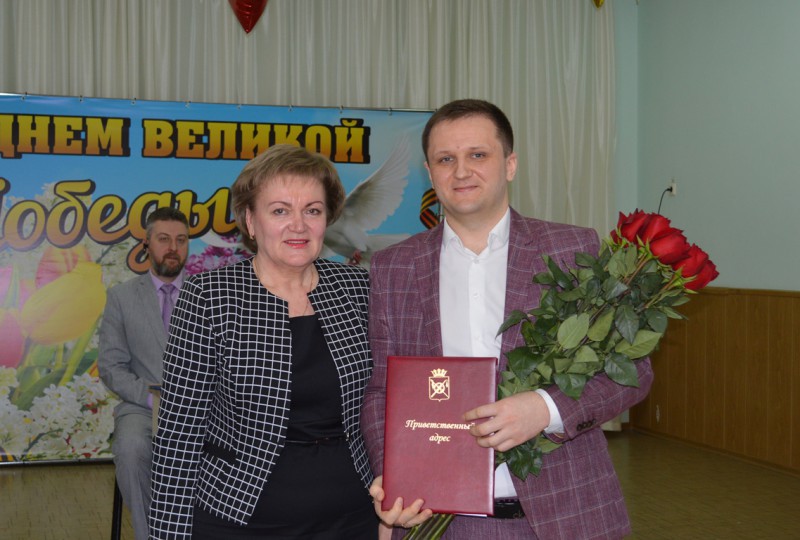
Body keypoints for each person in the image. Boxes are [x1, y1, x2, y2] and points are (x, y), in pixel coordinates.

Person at [362, 99, 655, 539]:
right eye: (446, 159)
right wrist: (395, 474)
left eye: (478, 155)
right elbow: (382, 391)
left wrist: (545, 409)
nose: (461, 171)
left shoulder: (572, 250)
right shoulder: (394, 267)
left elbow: (633, 371)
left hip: (563, 517)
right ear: (430, 172)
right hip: (438, 519)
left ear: (510, 164)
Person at [149, 144, 378, 539]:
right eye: (280, 211)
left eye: (312, 210)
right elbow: (179, 432)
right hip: (239, 516)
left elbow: (389, 404)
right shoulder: (210, 296)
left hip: (354, 514)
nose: (298, 225)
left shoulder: (359, 288)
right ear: (251, 221)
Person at [99, 206, 190, 540]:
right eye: (164, 239)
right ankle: (151, 535)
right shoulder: (121, 297)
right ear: (146, 244)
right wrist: (153, 400)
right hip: (142, 406)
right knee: (131, 448)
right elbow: (111, 366)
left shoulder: (208, 294)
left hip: (202, 406)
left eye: (181, 240)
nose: (173, 248)